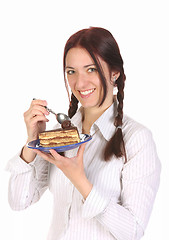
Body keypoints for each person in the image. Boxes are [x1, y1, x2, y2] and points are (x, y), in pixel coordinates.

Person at [6, 27, 161, 240]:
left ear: (114, 73)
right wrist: (32, 141)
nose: (79, 83)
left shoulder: (136, 138)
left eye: (91, 69)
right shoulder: (58, 135)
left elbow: (132, 231)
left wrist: (80, 180)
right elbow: (19, 201)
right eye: (71, 72)